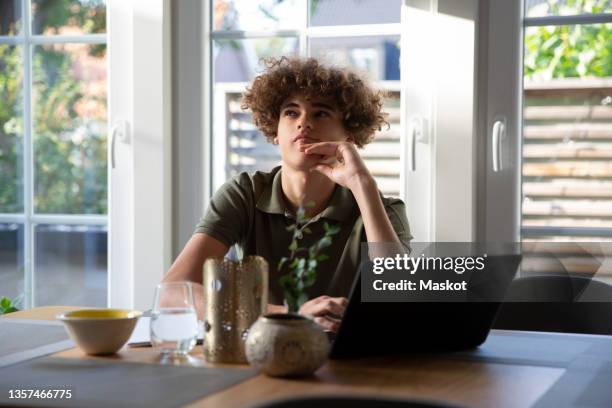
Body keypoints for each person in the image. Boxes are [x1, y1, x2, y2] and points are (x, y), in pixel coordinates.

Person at [163, 56, 412, 332]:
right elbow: (173, 292)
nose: (303, 122)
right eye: (291, 112)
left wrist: (362, 184)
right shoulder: (244, 193)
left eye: (321, 113)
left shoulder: (383, 210)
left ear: (349, 136)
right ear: (275, 132)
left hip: (352, 363)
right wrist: (292, 315)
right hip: (263, 350)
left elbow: (400, 298)